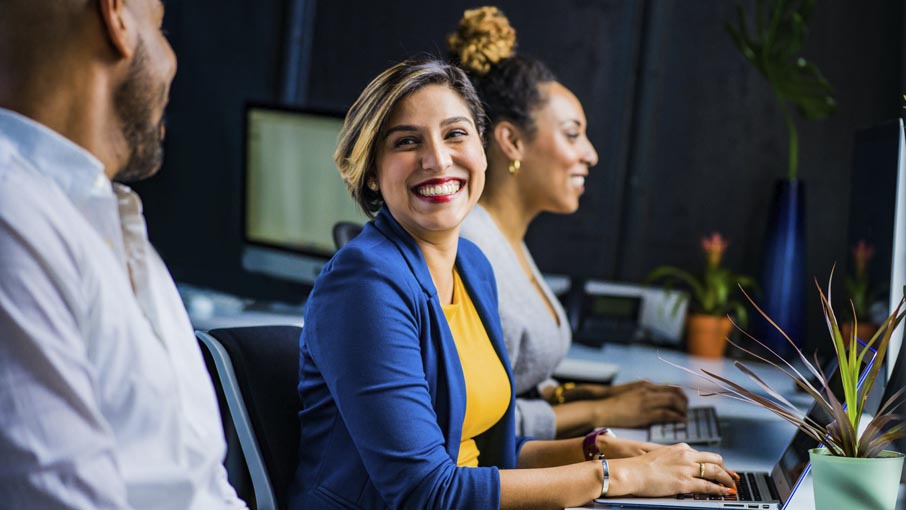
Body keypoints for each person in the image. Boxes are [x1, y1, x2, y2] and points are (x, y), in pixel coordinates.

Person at [290, 58, 737, 510]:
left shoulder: (472, 265)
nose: (438, 159)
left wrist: (599, 450)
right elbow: (425, 492)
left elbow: (493, 456)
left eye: (455, 134)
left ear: (483, 151)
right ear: (371, 171)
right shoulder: (364, 284)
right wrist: (615, 476)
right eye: (407, 142)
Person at [0, 1, 246, 508]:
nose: (173, 59)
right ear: (116, 18)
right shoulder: (14, 217)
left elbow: (204, 489)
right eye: (161, 29)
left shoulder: (109, 224)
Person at [452, 6, 689, 440]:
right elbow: (475, 424)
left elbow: (515, 384)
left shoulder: (507, 240)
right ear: (511, 140)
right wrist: (606, 412)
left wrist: (593, 397)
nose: (591, 154)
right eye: (572, 133)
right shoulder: (470, 250)